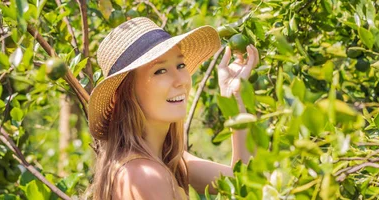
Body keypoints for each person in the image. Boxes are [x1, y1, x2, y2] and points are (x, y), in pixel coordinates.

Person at [87, 17, 259, 199]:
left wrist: (235, 98)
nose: (181, 80)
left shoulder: (170, 160)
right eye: (160, 71)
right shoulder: (145, 175)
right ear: (125, 94)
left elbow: (247, 183)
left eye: (180, 65)